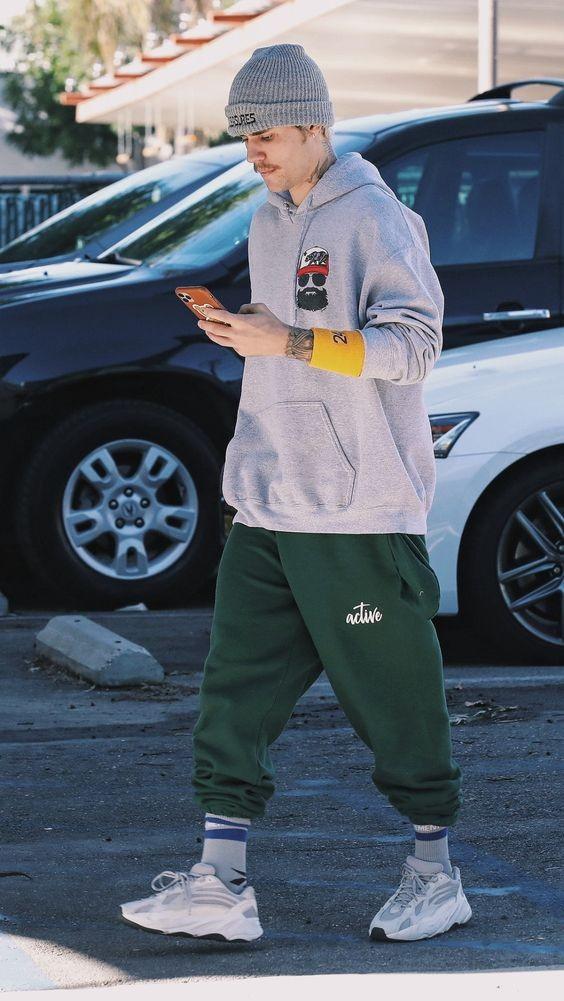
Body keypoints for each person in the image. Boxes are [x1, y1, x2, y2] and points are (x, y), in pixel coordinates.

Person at [120, 43, 472, 944]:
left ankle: (436, 875)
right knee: (232, 692)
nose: (254, 154)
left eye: (267, 136)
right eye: (244, 138)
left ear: (314, 124)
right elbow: (289, 336)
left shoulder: (378, 218)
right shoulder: (269, 219)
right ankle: (221, 882)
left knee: (396, 699)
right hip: (268, 497)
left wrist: (292, 342)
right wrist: (253, 332)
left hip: (357, 512)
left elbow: (414, 347)